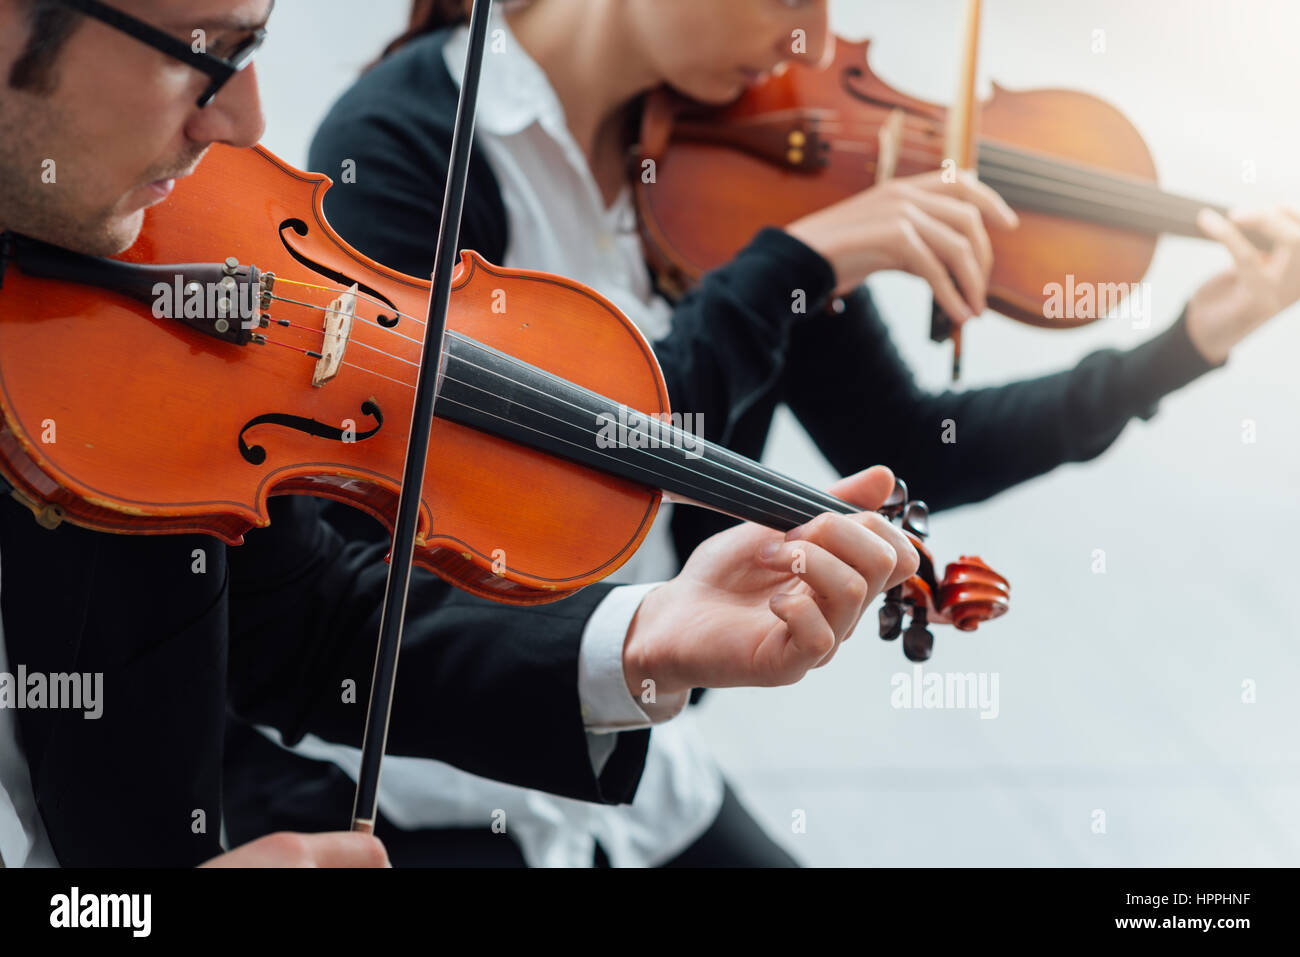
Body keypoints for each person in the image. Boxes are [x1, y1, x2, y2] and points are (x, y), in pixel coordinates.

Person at [221, 0, 1300, 867]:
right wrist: (788, 268)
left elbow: (911, 443)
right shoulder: (406, 145)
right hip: (428, 768)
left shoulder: (742, 155)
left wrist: (1189, 343)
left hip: (640, 773)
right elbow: (525, 470)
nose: (817, 42)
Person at [0, 0, 919, 868]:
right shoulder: (407, 136)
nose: (245, 119)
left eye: (257, 48)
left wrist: (640, 636)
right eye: (204, 52)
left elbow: (297, 618)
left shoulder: (128, 256)